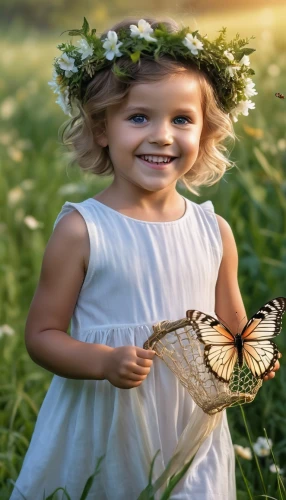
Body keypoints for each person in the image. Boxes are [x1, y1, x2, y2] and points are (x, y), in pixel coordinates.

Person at [10, 16, 280, 500]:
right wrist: (103, 361)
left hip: (189, 423)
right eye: (139, 117)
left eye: (181, 119)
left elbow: (232, 323)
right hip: (106, 418)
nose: (161, 136)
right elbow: (42, 336)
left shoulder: (213, 230)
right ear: (101, 129)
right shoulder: (83, 229)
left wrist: (247, 359)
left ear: (205, 131)